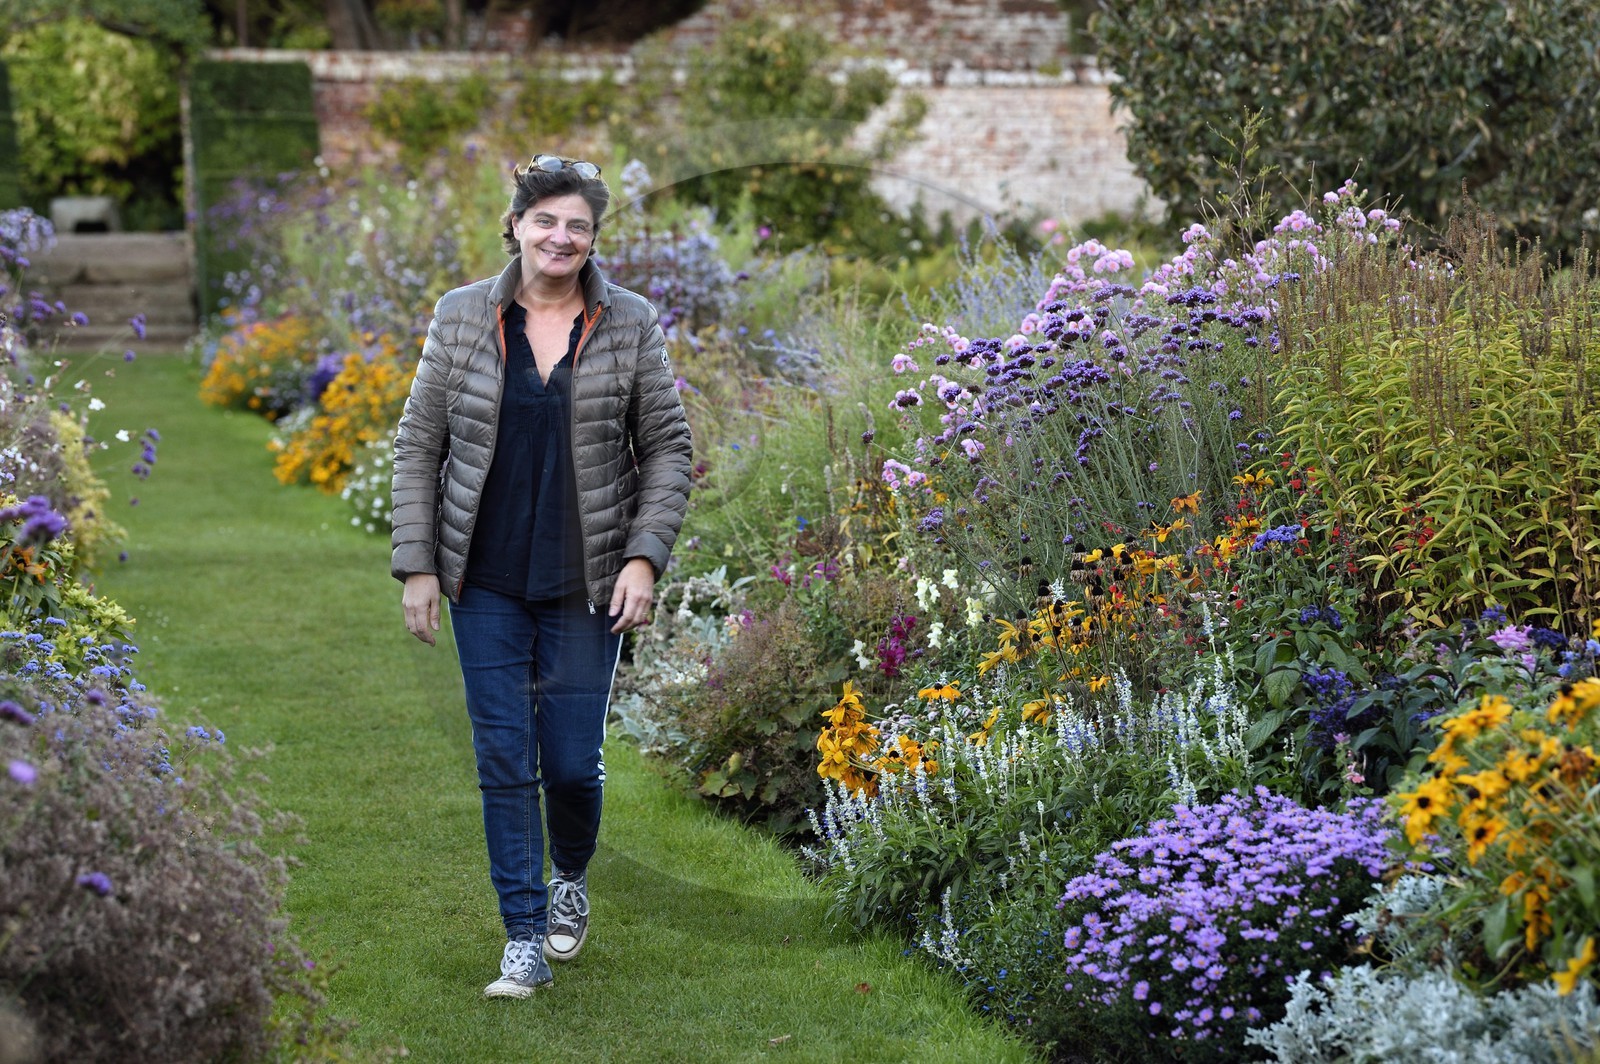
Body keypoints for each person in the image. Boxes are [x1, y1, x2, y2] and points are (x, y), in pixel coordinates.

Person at [390, 153, 693, 999]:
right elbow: (419, 444)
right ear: (516, 225)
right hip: (483, 578)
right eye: (547, 220)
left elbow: (668, 447)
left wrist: (643, 556)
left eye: (579, 226)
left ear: (594, 240)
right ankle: (522, 934)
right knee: (501, 757)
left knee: (569, 762)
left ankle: (570, 877)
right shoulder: (461, 317)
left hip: (585, 579)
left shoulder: (626, 320)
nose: (562, 238)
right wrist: (417, 565)